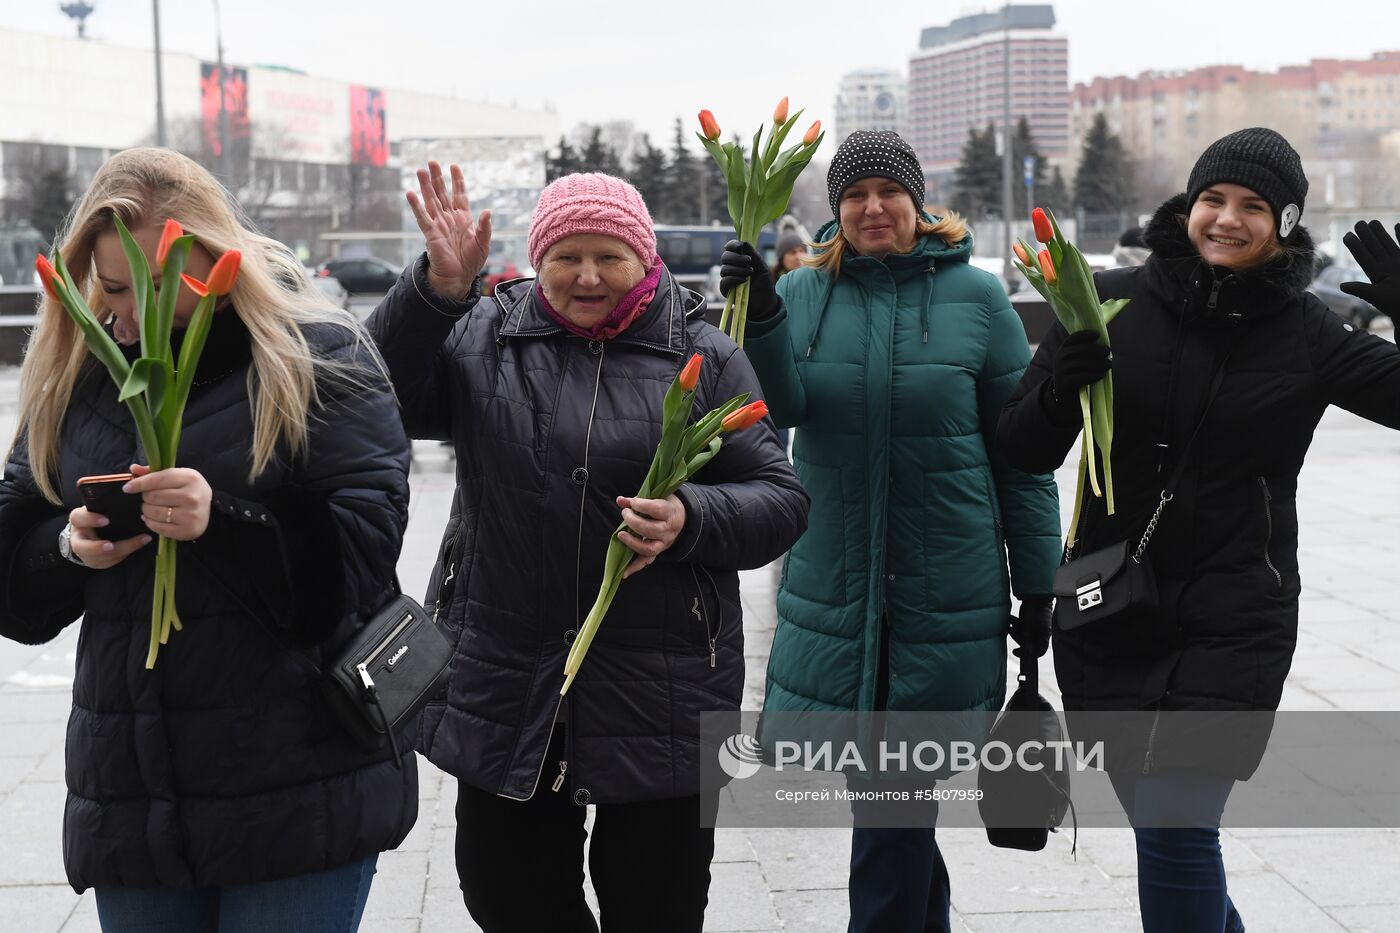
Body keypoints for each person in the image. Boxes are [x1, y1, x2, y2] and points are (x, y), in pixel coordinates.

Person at [366, 165, 808, 933]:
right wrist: (435, 289)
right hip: (507, 674)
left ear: (647, 260)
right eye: (568, 256)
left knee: (658, 907)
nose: (589, 275)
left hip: (662, 685)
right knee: (504, 893)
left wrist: (689, 517)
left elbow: (781, 498)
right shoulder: (483, 336)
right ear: (540, 259)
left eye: (610, 255)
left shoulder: (705, 356)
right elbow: (375, 392)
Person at [997, 127, 1400, 933]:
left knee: (1178, 830)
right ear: (1189, 205)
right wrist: (1054, 392)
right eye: (1214, 199)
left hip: (1234, 616)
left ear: (1285, 224)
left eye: (1254, 207)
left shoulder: (1312, 334)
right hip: (1111, 610)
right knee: (1165, 834)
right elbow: (1020, 450)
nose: (1228, 218)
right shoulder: (1105, 304)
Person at [0, 148, 414, 932]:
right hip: (134, 796)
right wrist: (67, 546)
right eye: (104, 286)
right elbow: (10, 565)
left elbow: (359, 561)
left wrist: (220, 521)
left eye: (136, 290)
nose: (119, 312)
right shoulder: (76, 373)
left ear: (207, 265)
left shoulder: (314, 357)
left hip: (298, 782)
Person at [719, 129, 1062, 933]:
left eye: (888, 191)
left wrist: (1040, 581)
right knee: (893, 805)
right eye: (854, 194)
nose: (873, 207)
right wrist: (763, 312)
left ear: (918, 200)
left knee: (891, 805)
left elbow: (1020, 456)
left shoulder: (977, 300)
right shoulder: (806, 294)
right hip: (837, 586)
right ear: (836, 207)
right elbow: (785, 410)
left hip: (945, 587)